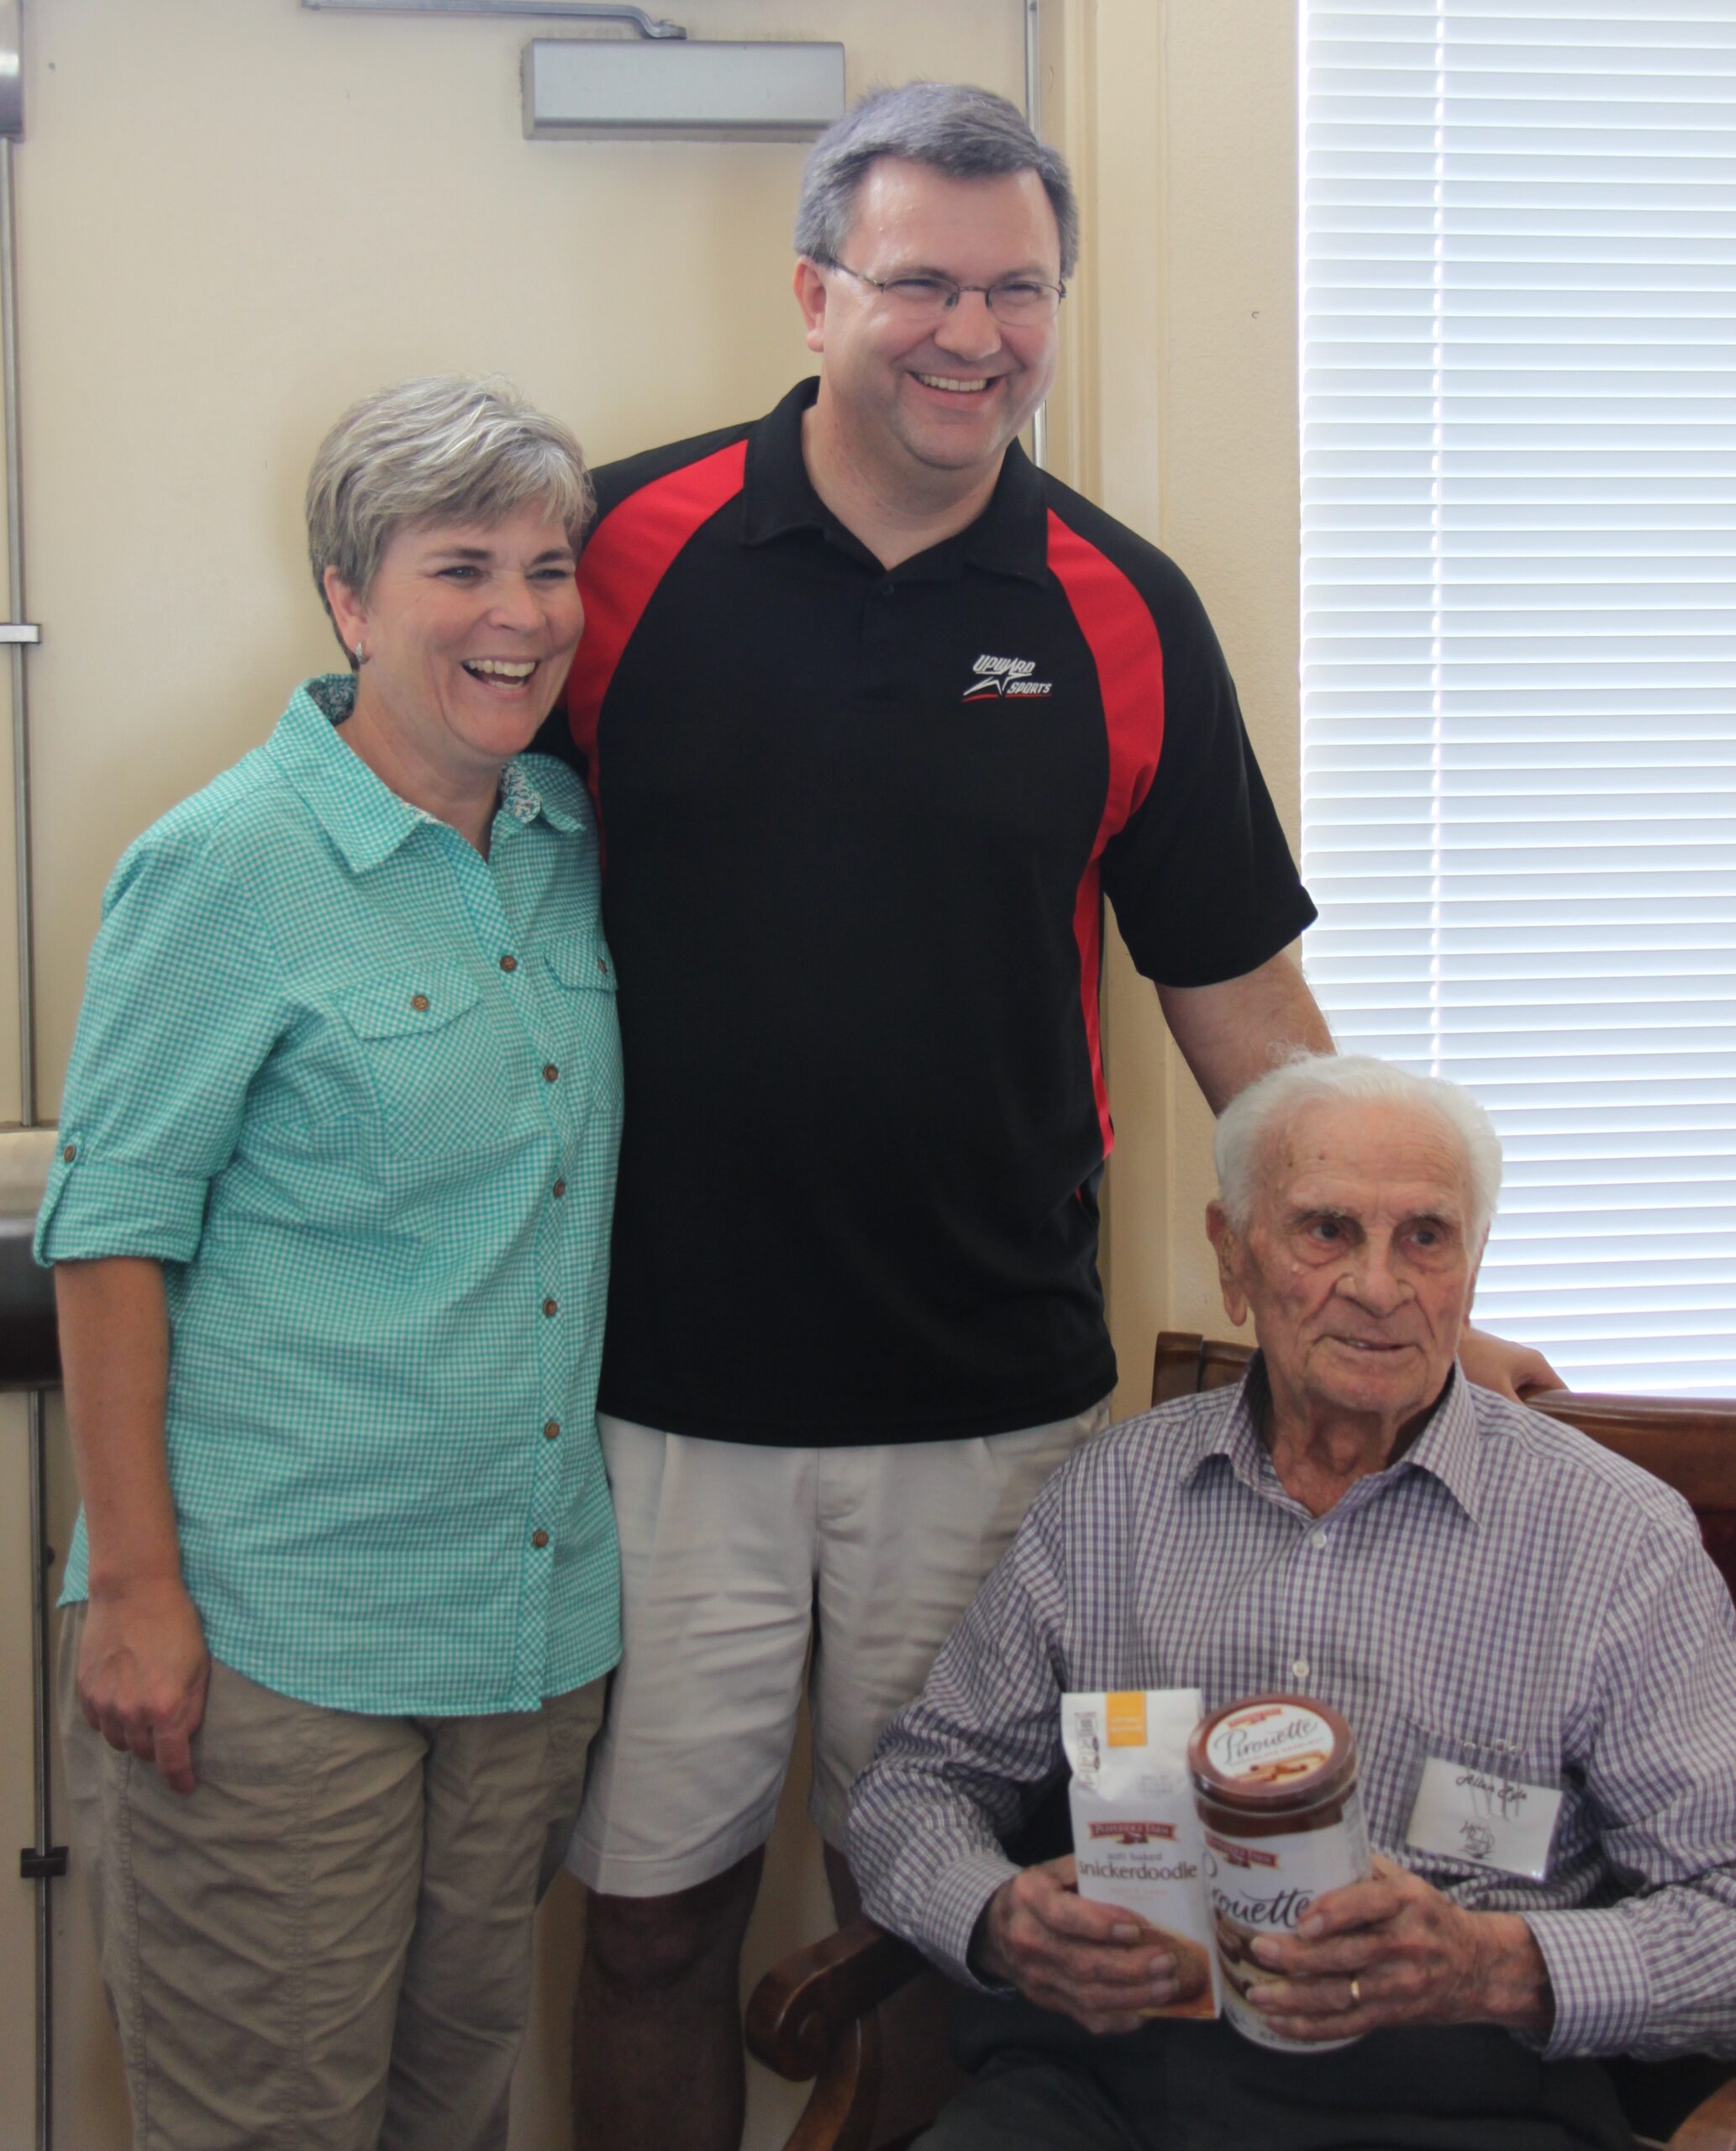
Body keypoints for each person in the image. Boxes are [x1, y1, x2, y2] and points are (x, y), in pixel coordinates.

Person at [540, 83, 1558, 2150]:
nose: (971, 331)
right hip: (652, 1392)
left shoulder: (1118, 603)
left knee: (961, 1922)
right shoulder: (621, 555)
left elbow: (1245, 1011)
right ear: (816, 287)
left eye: (1020, 290)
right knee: (652, 1924)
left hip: (988, 1403)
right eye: (920, 280)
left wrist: (1398, 1288)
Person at [40, 375, 623, 2151]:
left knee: (452, 2108)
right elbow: (111, 1234)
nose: (520, 615)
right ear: (349, 599)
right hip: (273, 1632)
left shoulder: (568, 849)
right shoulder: (227, 862)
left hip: (524, 1629)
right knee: (271, 2120)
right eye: (462, 567)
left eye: (551, 565)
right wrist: (138, 1592)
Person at [849, 1052, 1736, 2150]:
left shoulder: (1615, 1542)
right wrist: (994, 1918)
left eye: (1424, 1236)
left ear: (1473, 1263)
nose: (1377, 1286)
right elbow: (912, 1786)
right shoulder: (1112, 1500)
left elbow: (1726, 1916)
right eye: (1325, 1231)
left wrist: (1484, 1967)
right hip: (1108, 2086)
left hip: (1462, 2092)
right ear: (1232, 1260)